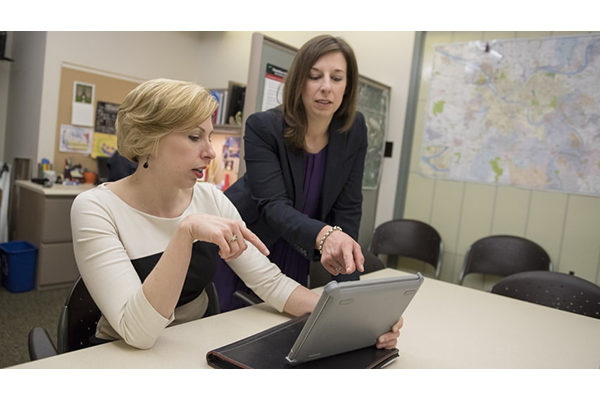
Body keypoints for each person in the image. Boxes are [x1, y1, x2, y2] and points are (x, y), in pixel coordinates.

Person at [70, 78, 402, 351]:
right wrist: (185, 234)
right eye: (194, 136)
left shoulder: (210, 198)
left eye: (209, 137)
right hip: (122, 356)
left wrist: (354, 321)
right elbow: (138, 333)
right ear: (148, 139)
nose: (210, 152)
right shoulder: (96, 209)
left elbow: (269, 282)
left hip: (192, 347)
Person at [215, 35, 368, 311]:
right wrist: (325, 236)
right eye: (314, 76)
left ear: (348, 86)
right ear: (299, 81)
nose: (326, 87)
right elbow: (273, 206)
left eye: (336, 78)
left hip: (299, 246)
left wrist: (351, 299)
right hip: (247, 247)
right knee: (235, 333)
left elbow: (349, 208)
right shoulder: (264, 127)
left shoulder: (353, 128)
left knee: (284, 336)